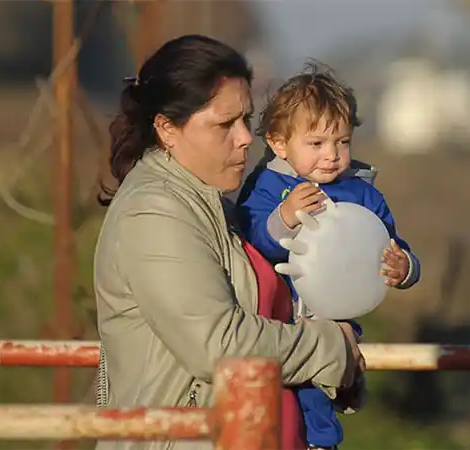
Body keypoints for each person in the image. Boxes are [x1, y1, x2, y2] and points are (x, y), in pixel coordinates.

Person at [93, 35, 364, 450]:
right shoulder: (154, 213)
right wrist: (334, 347)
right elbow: (220, 345)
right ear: (167, 128)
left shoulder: (214, 203)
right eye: (224, 124)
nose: (244, 137)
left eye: (246, 119)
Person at [236, 63, 421, 450]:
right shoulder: (268, 187)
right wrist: (284, 219)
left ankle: (322, 444)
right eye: (316, 143)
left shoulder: (362, 194)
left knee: (317, 401)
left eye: (342, 141)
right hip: (279, 321)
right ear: (278, 143)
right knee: (278, 402)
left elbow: (389, 243)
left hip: (335, 325)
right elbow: (253, 238)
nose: (332, 155)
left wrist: (403, 267)